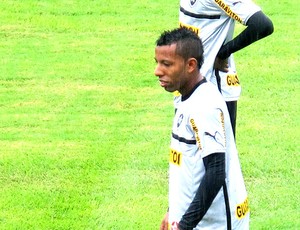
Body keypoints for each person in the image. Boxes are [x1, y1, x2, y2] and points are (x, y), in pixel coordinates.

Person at [155, 28, 249, 230]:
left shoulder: (204, 105)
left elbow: (215, 171)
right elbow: (187, 168)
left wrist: (184, 225)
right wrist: (174, 210)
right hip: (194, 220)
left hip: (216, 224)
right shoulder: (185, 96)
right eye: (157, 62)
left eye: (166, 64)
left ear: (190, 65)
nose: (157, 71)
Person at [178, 0, 274, 137]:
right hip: (185, 84)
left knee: (218, 156)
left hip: (212, 89)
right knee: (186, 152)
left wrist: (223, 52)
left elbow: (262, 25)